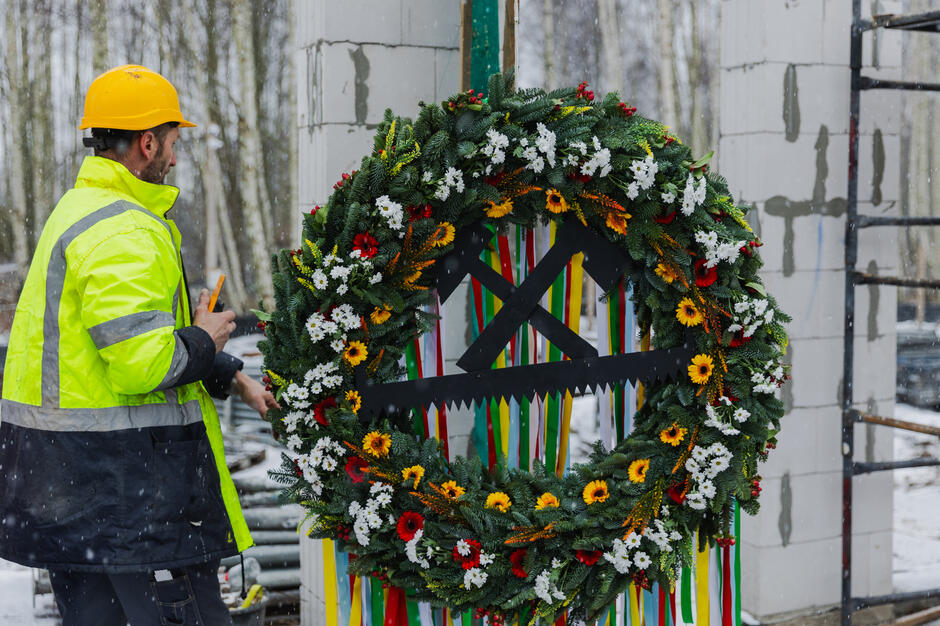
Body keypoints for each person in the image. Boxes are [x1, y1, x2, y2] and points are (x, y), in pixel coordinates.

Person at [0, 64, 278, 625]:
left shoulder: (76, 213)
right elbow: (141, 364)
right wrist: (205, 335)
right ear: (147, 142)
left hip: (74, 496)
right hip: (133, 501)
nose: (174, 159)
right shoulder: (126, 231)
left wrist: (228, 373)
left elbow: (98, 357)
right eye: (172, 145)